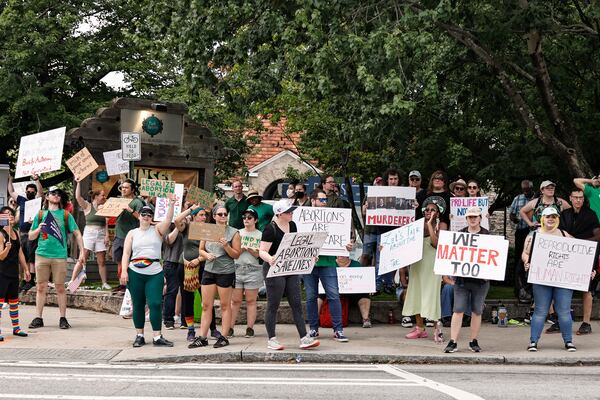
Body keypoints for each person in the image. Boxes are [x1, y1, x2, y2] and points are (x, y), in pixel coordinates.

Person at [259, 199, 320, 350]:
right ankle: (271, 339)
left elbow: (296, 246)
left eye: (291, 211)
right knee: (273, 304)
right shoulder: (270, 229)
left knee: (297, 304)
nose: (291, 213)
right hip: (274, 270)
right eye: (288, 211)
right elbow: (262, 251)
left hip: (290, 269)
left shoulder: (292, 225)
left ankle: (304, 338)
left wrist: (309, 256)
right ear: (279, 214)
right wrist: (270, 258)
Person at [522, 207, 581, 352]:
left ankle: (568, 341)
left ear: (557, 219)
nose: (551, 219)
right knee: (541, 311)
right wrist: (526, 262)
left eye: (554, 216)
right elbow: (525, 252)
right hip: (541, 278)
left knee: (564, 311)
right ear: (542, 218)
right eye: (548, 216)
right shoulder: (533, 235)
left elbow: (580, 253)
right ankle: (533, 341)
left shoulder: (564, 235)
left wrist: (586, 270)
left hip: (563, 279)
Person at [120, 200, 175, 348]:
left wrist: (171, 204)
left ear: (152, 217)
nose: (146, 216)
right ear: (139, 216)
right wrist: (124, 271)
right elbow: (126, 253)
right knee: (138, 304)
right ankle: (140, 335)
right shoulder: (132, 233)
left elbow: (169, 220)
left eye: (149, 214)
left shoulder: (157, 230)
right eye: (143, 214)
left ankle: (157, 336)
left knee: (155, 303)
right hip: (135, 270)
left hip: (154, 271)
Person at [28, 186, 85, 329]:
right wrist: (38, 229)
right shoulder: (40, 214)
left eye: (58, 193)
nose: (56, 195)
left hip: (59, 256)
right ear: (46, 196)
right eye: (53, 193)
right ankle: (38, 317)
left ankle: (63, 318)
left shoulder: (66, 215)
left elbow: (77, 233)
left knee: (60, 287)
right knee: (41, 287)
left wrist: (82, 252)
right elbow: (30, 236)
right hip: (41, 254)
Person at [191, 205, 241, 348]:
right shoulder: (208, 230)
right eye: (220, 214)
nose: (223, 216)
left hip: (225, 271)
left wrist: (226, 246)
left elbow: (236, 255)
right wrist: (207, 255)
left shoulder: (234, 233)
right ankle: (202, 337)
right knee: (206, 305)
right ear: (214, 216)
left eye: (225, 214)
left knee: (225, 305)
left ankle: (224, 337)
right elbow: (201, 250)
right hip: (209, 270)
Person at [304, 189, 349, 342]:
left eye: (325, 200)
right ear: (313, 201)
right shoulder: (304, 219)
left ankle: (338, 330)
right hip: (309, 264)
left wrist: (346, 246)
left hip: (328, 262)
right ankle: (313, 329)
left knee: (334, 295)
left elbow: (341, 239)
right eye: (321, 200)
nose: (324, 203)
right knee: (311, 297)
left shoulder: (332, 217)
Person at [444, 207, 490, 353]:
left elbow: (492, 258)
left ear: (480, 218)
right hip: (462, 281)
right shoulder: (459, 235)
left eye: (475, 216)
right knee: (458, 310)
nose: (473, 219)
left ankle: (473, 341)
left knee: (477, 311)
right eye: (470, 217)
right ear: (466, 219)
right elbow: (451, 256)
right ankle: (453, 341)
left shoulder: (488, 236)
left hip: (480, 281)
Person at [402, 196, 447, 339]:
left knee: (430, 295)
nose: (429, 212)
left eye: (433, 210)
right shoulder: (416, 225)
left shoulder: (442, 226)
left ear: (438, 213)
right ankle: (419, 327)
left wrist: (429, 225)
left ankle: (437, 328)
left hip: (431, 265)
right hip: (417, 264)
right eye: (427, 209)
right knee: (416, 293)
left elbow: (435, 243)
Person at [557, 188, 600, 335]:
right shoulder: (564, 215)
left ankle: (586, 323)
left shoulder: (591, 215)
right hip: (566, 256)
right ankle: (561, 320)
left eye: (581, 197)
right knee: (562, 287)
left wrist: (578, 242)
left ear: (583, 199)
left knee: (586, 289)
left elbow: (598, 236)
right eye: (575, 197)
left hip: (586, 256)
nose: (578, 200)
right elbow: (559, 234)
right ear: (570, 198)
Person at [174, 204, 219, 342]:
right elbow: (176, 221)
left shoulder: (209, 230)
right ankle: (190, 329)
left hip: (203, 267)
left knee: (207, 300)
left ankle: (213, 329)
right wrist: (190, 209)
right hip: (185, 267)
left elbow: (214, 249)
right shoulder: (187, 227)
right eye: (201, 215)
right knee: (188, 299)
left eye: (205, 215)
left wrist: (199, 259)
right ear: (194, 216)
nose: (204, 217)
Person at [68, 180, 110, 290]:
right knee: (83, 257)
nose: (104, 197)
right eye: (102, 195)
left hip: (101, 233)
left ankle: (104, 283)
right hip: (89, 233)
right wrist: (78, 183)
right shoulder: (88, 206)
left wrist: (106, 236)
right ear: (96, 196)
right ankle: (72, 281)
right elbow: (78, 197)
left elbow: (105, 222)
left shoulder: (104, 208)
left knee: (102, 260)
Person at [230, 208, 263, 338]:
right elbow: (232, 252)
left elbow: (260, 254)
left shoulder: (260, 235)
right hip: (237, 267)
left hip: (253, 268)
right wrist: (239, 249)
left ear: (255, 220)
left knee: (251, 300)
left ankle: (250, 328)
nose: (246, 220)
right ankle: (230, 327)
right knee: (235, 300)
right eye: (244, 217)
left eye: (249, 218)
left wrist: (251, 250)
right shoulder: (238, 233)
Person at [7, 174, 43, 292]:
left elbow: (41, 193)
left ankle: (31, 279)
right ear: (26, 191)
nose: (30, 193)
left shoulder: (37, 200)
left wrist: (37, 180)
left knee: (32, 256)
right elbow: (11, 191)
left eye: (32, 192)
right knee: (24, 256)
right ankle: (26, 279)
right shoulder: (22, 200)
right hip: (22, 233)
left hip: (32, 233)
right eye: (28, 191)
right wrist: (10, 180)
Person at [0, 206, 30, 340]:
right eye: (6, 214)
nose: (10, 216)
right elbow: (1, 256)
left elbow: (20, 253)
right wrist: (6, 248)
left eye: (11, 214)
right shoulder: (1, 234)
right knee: (0, 303)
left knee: (14, 302)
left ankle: (16, 328)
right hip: (2, 273)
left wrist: (26, 269)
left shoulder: (16, 232)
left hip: (13, 273)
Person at [113, 179, 145, 293]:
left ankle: (130, 285)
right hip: (119, 235)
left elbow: (142, 218)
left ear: (132, 189)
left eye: (126, 187)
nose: (123, 189)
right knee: (119, 260)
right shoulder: (118, 200)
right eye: (122, 187)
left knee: (130, 261)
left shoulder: (137, 202)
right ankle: (122, 284)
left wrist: (130, 210)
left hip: (132, 236)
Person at [509, 180, 536, 303]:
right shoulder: (518, 198)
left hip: (534, 232)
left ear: (531, 188)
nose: (525, 192)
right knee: (520, 261)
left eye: (527, 190)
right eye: (523, 190)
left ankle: (532, 290)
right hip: (521, 231)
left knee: (533, 260)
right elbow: (512, 214)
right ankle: (519, 289)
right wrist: (515, 219)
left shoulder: (537, 199)